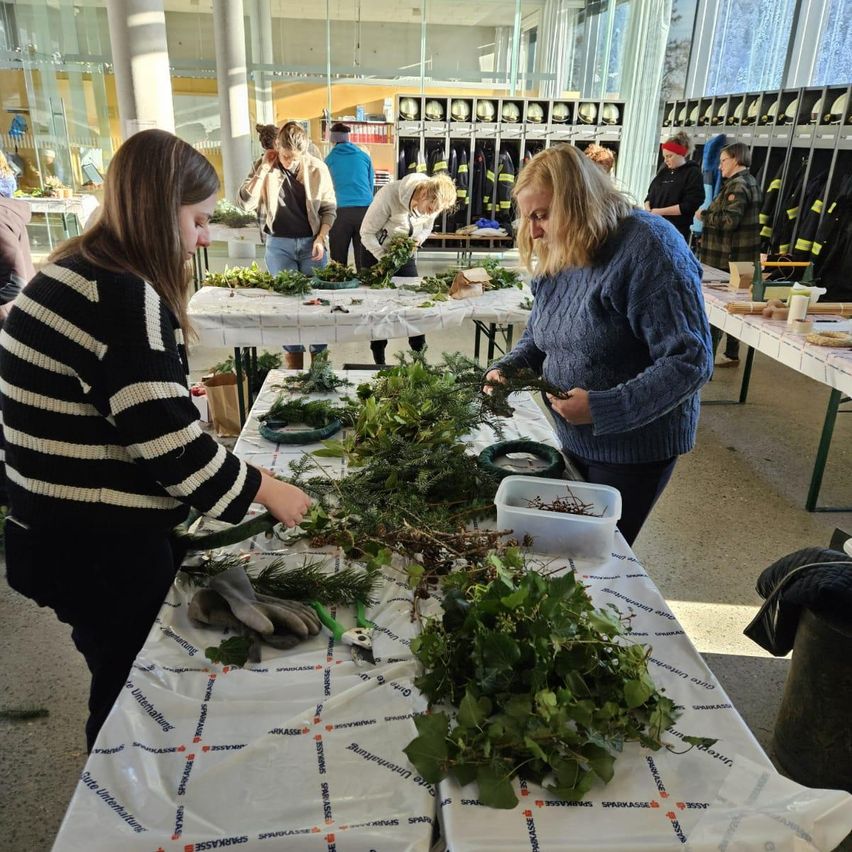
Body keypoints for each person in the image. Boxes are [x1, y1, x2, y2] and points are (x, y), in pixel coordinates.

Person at [0, 129, 312, 752]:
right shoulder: (120, 295)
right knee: (127, 692)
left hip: (52, 531)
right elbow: (175, 450)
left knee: (119, 668)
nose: (204, 237)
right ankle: (119, 792)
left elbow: (133, 415)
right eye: (198, 220)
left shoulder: (77, 271)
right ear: (157, 211)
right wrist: (269, 489)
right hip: (94, 545)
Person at [484, 145, 713, 545]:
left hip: (633, 450)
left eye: (542, 215)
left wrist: (603, 408)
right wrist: (508, 369)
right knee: (563, 548)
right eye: (528, 217)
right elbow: (541, 333)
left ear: (578, 204)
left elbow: (690, 360)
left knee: (595, 553)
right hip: (574, 438)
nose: (534, 231)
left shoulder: (649, 247)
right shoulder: (562, 248)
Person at [238, 121, 337, 370]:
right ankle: (294, 373)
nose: (290, 162)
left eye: (295, 158)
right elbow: (245, 203)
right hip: (279, 245)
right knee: (287, 307)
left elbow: (329, 209)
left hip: (311, 244)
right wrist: (264, 168)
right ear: (277, 147)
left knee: (316, 304)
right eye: (285, 156)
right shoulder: (265, 165)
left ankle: (319, 374)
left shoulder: (317, 168)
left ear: (304, 152)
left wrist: (320, 238)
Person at [360, 172, 456, 364]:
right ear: (423, 194)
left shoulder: (433, 203)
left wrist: (417, 241)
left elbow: (427, 227)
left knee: (415, 303)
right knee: (379, 307)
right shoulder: (389, 195)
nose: (431, 213)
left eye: (436, 211)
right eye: (430, 208)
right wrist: (385, 260)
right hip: (376, 253)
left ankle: (419, 358)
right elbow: (366, 233)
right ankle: (379, 359)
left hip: (404, 252)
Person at [697, 142, 762, 368]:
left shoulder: (738, 186)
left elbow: (729, 221)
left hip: (726, 259)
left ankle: (708, 358)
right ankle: (731, 353)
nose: (720, 166)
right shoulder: (747, 181)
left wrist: (704, 215)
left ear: (735, 159)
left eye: (723, 161)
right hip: (735, 258)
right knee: (733, 306)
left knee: (719, 311)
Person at [325, 122, 375, 270]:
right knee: (364, 259)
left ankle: (340, 281)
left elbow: (326, 189)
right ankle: (363, 281)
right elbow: (370, 185)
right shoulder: (364, 157)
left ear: (332, 140)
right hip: (365, 211)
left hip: (340, 213)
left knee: (338, 261)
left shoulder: (329, 160)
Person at [644, 132, 704, 243]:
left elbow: (690, 204)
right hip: (654, 225)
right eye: (664, 157)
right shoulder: (663, 171)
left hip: (676, 230)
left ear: (681, 154)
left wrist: (659, 212)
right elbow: (650, 194)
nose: (666, 160)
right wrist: (647, 207)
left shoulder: (692, 173)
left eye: (669, 156)